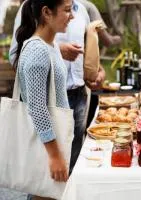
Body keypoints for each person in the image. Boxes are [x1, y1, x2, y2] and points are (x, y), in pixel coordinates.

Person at [13, 0, 73, 199]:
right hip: (46, 148)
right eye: (66, 10)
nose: (71, 16)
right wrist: (55, 155)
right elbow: (37, 108)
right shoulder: (38, 50)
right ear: (47, 12)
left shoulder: (51, 45)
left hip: (52, 143)